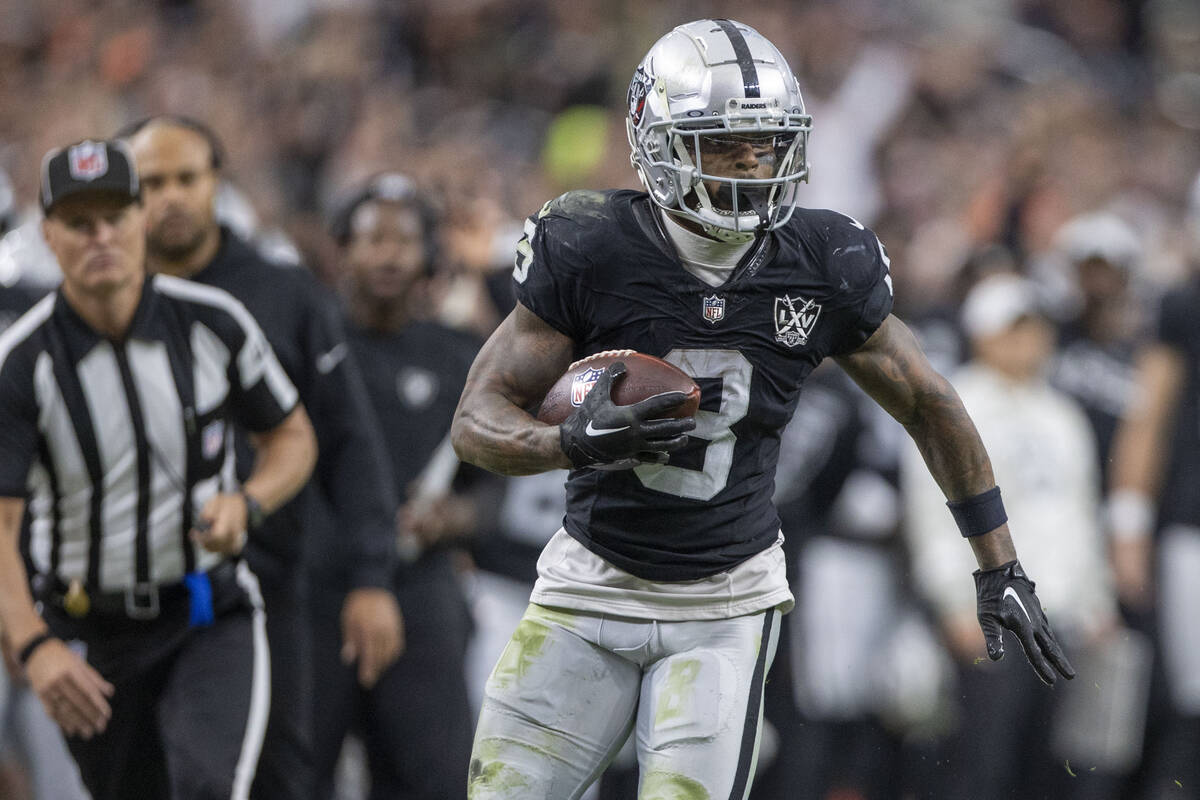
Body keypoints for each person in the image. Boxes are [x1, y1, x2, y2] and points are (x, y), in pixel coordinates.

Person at [451, 19, 1075, 799]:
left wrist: (999, 564)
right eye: (724, 143)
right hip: (589, 584)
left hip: (725, 602)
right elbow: (476, 420)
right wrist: (568, 444)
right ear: (656, 139)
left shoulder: (823, 260)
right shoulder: (590, 244)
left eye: (768, 143)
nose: (752, 163)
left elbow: (927, 400)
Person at [0, 139, 317, 799]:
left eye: (115, 216)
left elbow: (290, 436)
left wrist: (248, 503)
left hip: (206, 612)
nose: (101, 236)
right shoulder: (23, 362)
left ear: (141, 220)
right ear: (47, 234)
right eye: (80, 223)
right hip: (88, 628)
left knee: (207, 785)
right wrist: (33, 646)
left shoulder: (212, 323)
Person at [122, 116, 404, 800]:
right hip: (125, 595)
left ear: (216, 182)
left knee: (277, 776)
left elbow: (347, 442)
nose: (172, 198)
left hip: (265, 586)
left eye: (187, 178)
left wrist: (372, 578)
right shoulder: (100, 299)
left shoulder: (285, 293)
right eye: (151, 183)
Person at [904, 273, 1130, 800]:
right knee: (982, 767)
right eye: (1015, 328)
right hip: (992, 620)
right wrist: (951, 605)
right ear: (983, 334)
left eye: (1035, 328)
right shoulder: (952, 407)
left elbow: (1081, 514)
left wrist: (1097, 600)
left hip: (1062, 618)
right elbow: (929, 515)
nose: (1030, 340)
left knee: (1050, 768)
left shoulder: (1062, 414)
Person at [316, 172, 484, 799]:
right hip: (321, 587)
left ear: (429, 258)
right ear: (342, 250)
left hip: (421, 584)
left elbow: (501, 489)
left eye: (405, 241)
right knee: (293, 776)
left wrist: (457, 518)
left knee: (436, 781)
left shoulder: (462, 353)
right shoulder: (306, 342)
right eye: (372, 238)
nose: (388, 254)